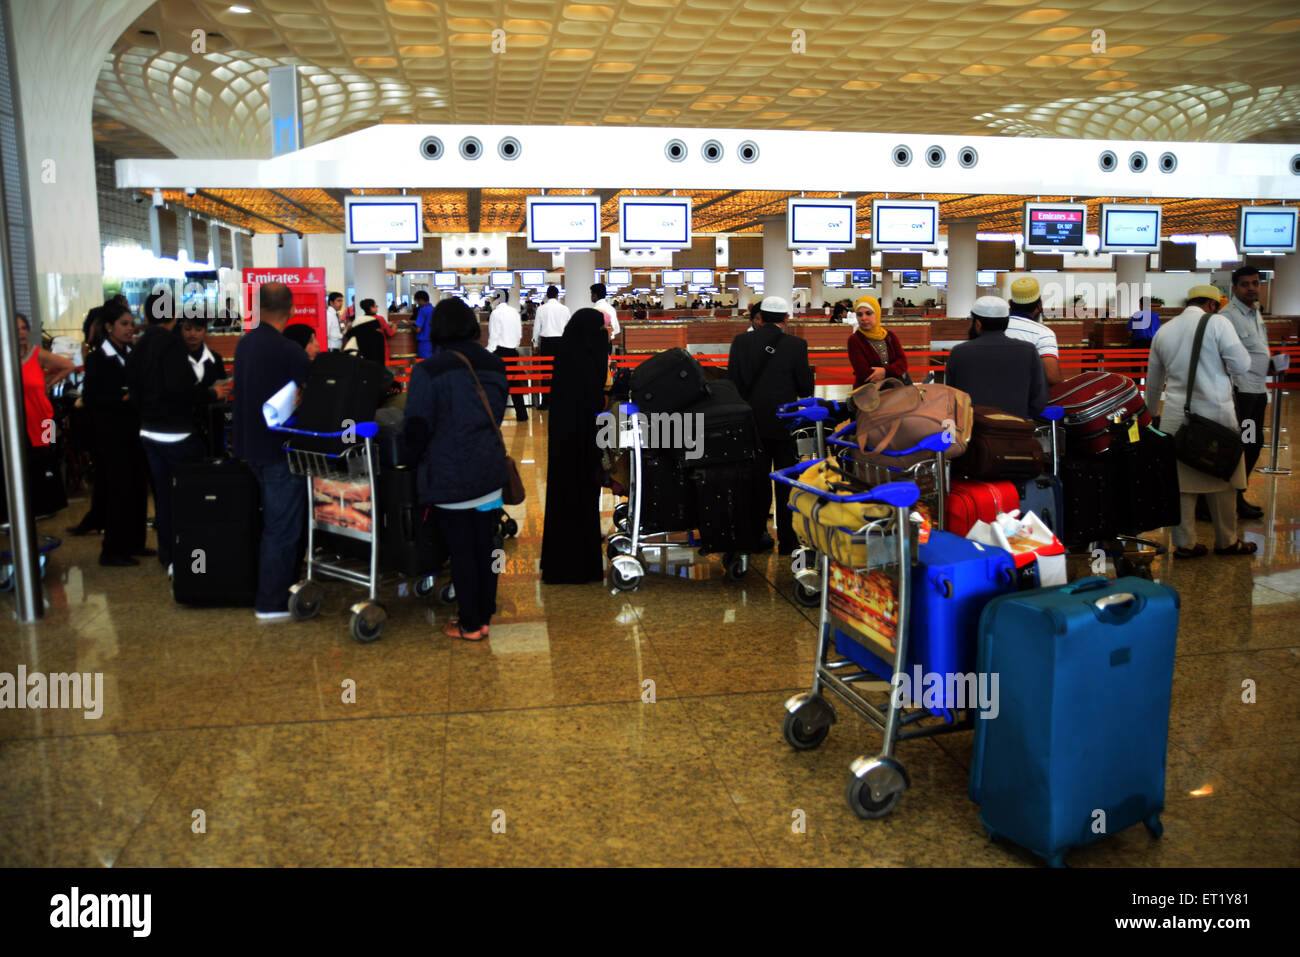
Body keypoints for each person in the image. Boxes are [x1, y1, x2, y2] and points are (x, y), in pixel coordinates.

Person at [403, 298, 509, 640]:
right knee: (488, 544)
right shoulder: (494, 364)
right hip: (490, 474)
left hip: (450, 476)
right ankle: (485, 613)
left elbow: (417, 428)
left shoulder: (428, 370)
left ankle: (470, 623)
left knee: (462, 550)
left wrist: (413, 460)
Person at [1145, 285, 1255, 558]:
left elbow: (1153, 382)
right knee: (1225, 480)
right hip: (1215, 417)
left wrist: (1151, 413)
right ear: (1212, 304)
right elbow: (1241, 366)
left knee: (1181, 485)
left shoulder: (1164, 331)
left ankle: (1185, 544)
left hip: (1175, 418)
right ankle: (1227, 541)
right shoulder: (1218, 323)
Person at [127, 290, 232, 569]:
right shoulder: (171, 346)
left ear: (147, 315)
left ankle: (168, 554)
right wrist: (210, 394)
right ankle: (192, 555)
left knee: (163, 494)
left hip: (148, 431)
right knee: (190, 494)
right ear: (174, 317)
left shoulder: (139, 345)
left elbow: (134, 391)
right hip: (177, 433)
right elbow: (182, 389)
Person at [233, 282, 312, 621]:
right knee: (282, 527)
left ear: (258, 306)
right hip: (280, 450)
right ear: (291, 309)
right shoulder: (290, 351)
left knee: (269, 522)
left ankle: (268, 588)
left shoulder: (244, 345)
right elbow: (306, 396)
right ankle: (272, 601)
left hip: (249, 447)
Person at [727, 296, 814, 554]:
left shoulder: (741, 342)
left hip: (751, 422)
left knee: (756, 481)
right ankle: (788, 540)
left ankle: (756, 536)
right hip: (784, 423)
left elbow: (732, 381)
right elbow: (804, 387)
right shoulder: (797, 345)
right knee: (786, 480)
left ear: (760, 317)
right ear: (787, 318)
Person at [540, 309, 610, 585]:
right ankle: (582, 565)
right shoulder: (589, 360)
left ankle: (559, 564)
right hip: (584, 441)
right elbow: (595, 401)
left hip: (563, 440)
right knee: (584, 498)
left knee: (562, 499)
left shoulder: (567, 357)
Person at [82, 304, 150, 566]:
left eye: (131, 323)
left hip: (134, 432)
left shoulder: (130, 353)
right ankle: (112, 549)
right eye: (124, 324)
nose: (129, 328)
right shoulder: (100, 358)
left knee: (135, 488)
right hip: (111, 435)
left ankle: (135, 543)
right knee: (118, 491)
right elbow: (91, 397)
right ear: (109, 327)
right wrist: (120, 398)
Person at [7, 313, 73, 521]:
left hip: (45, 418)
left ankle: (48, 504)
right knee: (23, 462)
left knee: (48, 458)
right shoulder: (6, 357)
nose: (21, 333)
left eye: (24, 328)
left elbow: (68, 366)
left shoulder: (37, 354)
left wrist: (50, 383)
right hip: (19, 421)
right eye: (16, 329)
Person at [946, 296, 1048, 419]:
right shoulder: (1029, 351)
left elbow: (952, 398)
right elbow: (1039, 400)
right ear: (1006, 322)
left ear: (978, 324)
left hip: (972, 431)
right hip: (1016, 430)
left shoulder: (959, 352)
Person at [1220, 267, 1269, 519]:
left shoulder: (1255, 313)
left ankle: (1237, 494)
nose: (1251, 288)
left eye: (1255, 283)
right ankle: (1234, 497)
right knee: (1245, 444)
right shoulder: (1229, 317)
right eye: (1245, 284)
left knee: (1253, 443)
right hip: (1243, 395)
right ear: (1235, 288)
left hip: (1259, 392)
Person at [179, 314, 230, 455]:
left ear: (205, 330)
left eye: (198, 329)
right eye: (188, 329)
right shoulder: (174, 359)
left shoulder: (215, 359)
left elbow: (223, 390)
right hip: (183, 423)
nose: (193, 333)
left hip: (212, 422)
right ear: (181, 329)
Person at [1005, 277, 1064, 386]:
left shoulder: (995, 327)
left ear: (1010, 303)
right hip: (1026, 400)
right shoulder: (1044, 334)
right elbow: (1052, 377)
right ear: (1039, 304)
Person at [846, 295, 908, 389]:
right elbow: (863, 373)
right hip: (869, 394)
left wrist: (884, 371)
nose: (863, 318)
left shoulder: (890, 336)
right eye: (859, 314)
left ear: (877, 313)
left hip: (895, 393)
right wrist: (894, 371)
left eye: (868, 313)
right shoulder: (854, 340)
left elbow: (903, 363)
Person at [486, 290, 527, 422]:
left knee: (497, 384)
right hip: (513, 351)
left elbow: (494, 335)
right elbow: (519, 334)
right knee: (514, 382)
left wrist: (488, 352)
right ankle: (522, 414)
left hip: (500, 352)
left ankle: (495, 415)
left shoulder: (495, 313)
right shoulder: (514, 312)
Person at [532, 285, 570, 411]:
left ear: (547, 296)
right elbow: (569, 329)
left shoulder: (541, 309)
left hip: (547, 343)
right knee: (562, 372)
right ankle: (561, 401)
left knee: (546, 373)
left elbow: (536, 328)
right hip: (561, 343)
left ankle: (546, 402)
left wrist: (535, 344)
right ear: (558, 295)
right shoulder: (565, 309)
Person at [343, 298, 387, 364]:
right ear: (371, 308)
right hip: (375, 352)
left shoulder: (358, 320)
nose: (377, 308)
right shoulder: (378, 319)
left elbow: (349, 334)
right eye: (376, 306)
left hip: (361, 353)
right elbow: (388, 333)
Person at [412, 290, 434, 359]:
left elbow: (418, 330)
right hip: (434, 341)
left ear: (421, 300)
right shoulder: (434, 309)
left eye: (418, 301)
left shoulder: (422, 310)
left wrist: (410, 326)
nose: (418, 304)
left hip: (424, 343)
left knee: (424, 365)